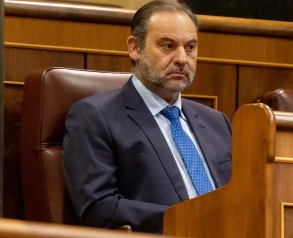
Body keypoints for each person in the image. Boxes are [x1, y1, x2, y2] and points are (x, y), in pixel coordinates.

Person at [62, 0, 232, 234]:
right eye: (168, 46)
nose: (182, 58)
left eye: (190, 47)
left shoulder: (217, 122)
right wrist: (190, 218)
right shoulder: (95, 116)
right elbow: (98, 208)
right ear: (135, 48)